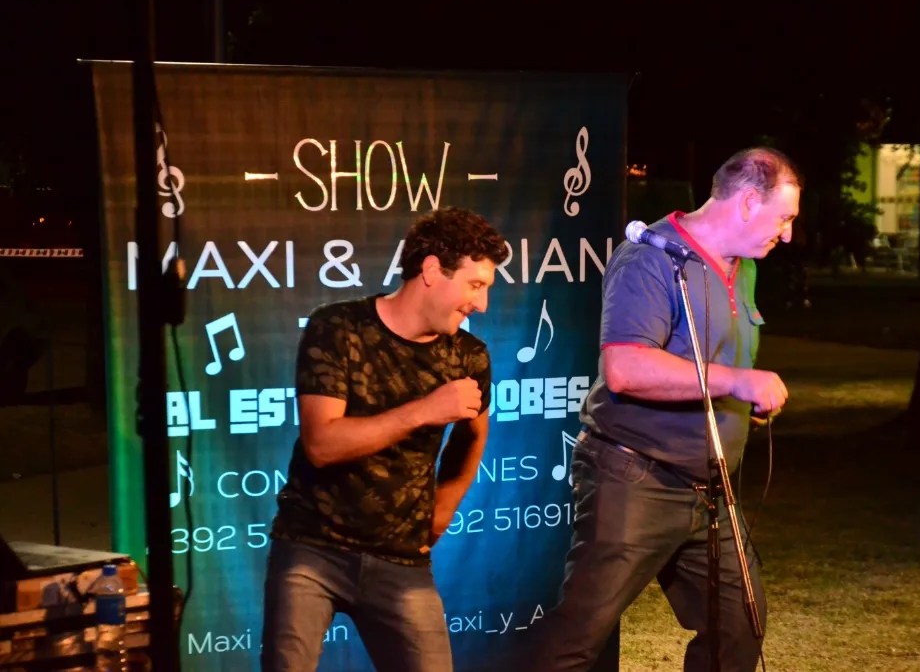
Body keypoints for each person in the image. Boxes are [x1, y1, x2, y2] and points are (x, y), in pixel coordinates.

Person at [531, 147, 801, 672]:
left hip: (711, 488)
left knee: (738, 626)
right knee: (577, 637)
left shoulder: (744, 267)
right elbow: (626, 368)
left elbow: (707, 365)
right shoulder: (650, 259)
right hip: (636, 477)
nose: (788, 234)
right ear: (749, 202)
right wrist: (737, 381)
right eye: (784, 218)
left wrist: (741, 400)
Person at [261, 207, 508, 672]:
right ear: (431, 270)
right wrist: (425, 410)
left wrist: (443, 508)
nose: (482, 304)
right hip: (312, 547)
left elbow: (473, 436)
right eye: (475, 285)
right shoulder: (338, 328)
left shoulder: (469, 356)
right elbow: (322, 444)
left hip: (402, 560)